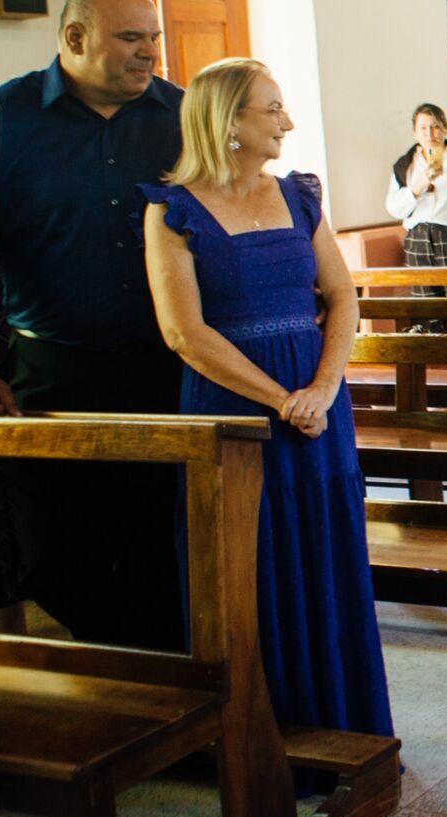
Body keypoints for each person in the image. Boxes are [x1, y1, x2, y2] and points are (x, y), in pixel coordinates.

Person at [140, 58, 393, 762]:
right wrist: (281, 399)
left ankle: (349, 733)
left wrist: (323, 387)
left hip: (319, 403)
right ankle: (261, 750)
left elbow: (342, 297)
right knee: (249, 568)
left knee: (326, 554)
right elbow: (183, 332)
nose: (286, 122)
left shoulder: (300, 196)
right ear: (228, 123)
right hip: (233, 405)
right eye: (271, 109)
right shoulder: (172, 210)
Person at [0, 0, 186, 650]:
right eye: (131, 38)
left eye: (154, 37)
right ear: (74, 38)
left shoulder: (183, 113)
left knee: (166, 546)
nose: (150, 52)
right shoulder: (0, 120)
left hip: (168, 368)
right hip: (54, 372)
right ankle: (111, 704)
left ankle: (174, 711)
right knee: (60, 554)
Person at [384, 102, 447, 331]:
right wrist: (417, 188)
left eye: (435, 127)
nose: (430, 134)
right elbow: (394, 207)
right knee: (427, 306)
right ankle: (437, 350)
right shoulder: (406, 164)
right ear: (415, 132)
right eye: (423, 128)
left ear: (445, 129)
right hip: (418, 238)